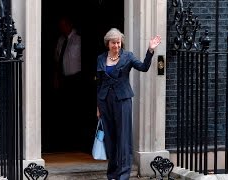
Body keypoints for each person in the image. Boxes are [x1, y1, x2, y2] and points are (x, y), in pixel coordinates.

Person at [96, 28, 161, 180]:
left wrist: (150, 50)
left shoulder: (128, 56)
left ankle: (123, 175)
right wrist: (98, 106)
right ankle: (112, 174)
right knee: (110, 138)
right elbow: (99, 83)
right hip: (105, 101)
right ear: (108, 43)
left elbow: (143, 67)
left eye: (118, 43)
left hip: (122, 100)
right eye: (113, 43)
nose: (117, 46)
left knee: (123, 137)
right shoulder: (100, 58)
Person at [53, 16, 83, 151]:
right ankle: (65, 142)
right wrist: (56, 77)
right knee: (64, 110)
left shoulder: (79, 39)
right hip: (64, 79)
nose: (61, 28)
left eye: (63, 25)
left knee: (76, 110)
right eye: (60, 25)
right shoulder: (61, 40)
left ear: (69, 25)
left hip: (77, 79)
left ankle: (77, 142)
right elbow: (57, 60)